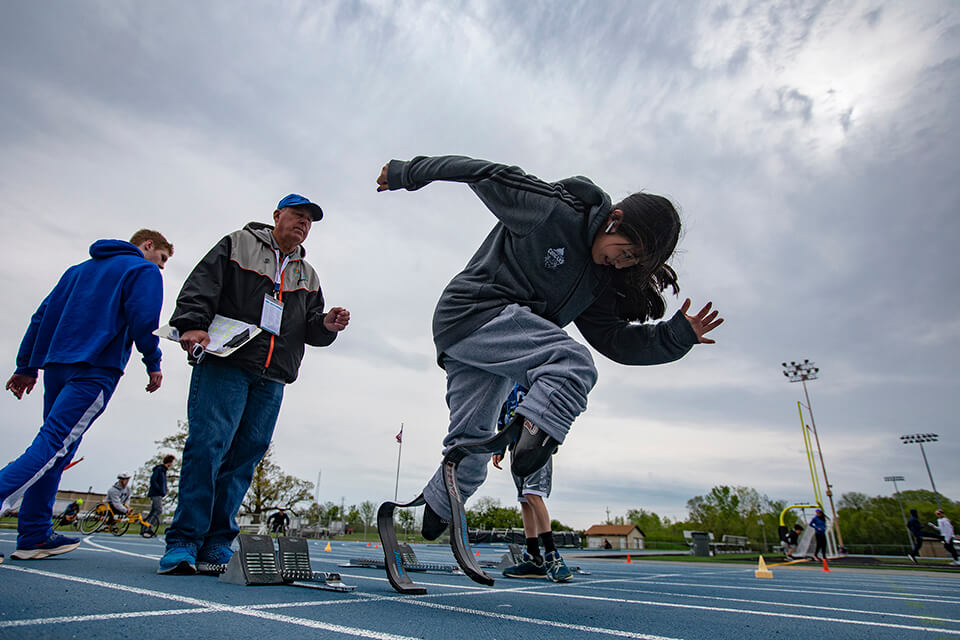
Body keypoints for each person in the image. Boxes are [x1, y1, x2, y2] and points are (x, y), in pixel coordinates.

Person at [376, 156, 723, 540]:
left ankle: (440, 506)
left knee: (471, 446)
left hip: (487, 351)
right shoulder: (553, 209)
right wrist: (406, 173)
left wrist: (675, 337)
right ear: (616, 219)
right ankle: (536, 433)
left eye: (632, 263)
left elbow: (614, 339)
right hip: (472, 311)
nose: (621, 263)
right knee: (571, 363)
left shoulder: (598, 282)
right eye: (626, 251)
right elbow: (485, 173)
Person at [158, 194, 350, 576]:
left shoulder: (307, 274)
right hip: (227, 362)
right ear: (277, 216)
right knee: (208, 445)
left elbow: (309, 325)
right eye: (298, 217)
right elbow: (202, 284)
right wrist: (193, 323)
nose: (303, 225)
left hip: (273, 374)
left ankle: (217, 544)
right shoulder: (237, 244)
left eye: (309, 221)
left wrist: (326, 324)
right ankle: (183, 541)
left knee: (245, 458)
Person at [1, 230, 172, 560]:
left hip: (56, 366)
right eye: (163, 259)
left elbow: (41, 317)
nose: (162, 268)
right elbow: (144, 320)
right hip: (95, 367)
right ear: (148, 245)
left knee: (57, 450)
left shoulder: (77, 271)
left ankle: (34, 534)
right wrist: (153, 361)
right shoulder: (142, 270)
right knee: (52, 445)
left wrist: (27, 366)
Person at [493, 383, 571, 582]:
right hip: (514, 446)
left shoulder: (535, 377)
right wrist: (499, 448)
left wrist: (552, 438)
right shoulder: (507, 383)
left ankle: (552, 554)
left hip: (536, 443)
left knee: (533, 494)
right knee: (524, 500)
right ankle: (534, 557)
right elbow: (502, 414)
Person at [146, 455, 175, 529]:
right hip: (156, 493)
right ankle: (148, 527)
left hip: (159, 494)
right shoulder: (159, 469)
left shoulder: (164, 471)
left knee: (153, 511)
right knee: (158, 510)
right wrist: (159, 490)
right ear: (170, 462)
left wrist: (164, 490)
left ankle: (145, 526)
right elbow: (153, 480)